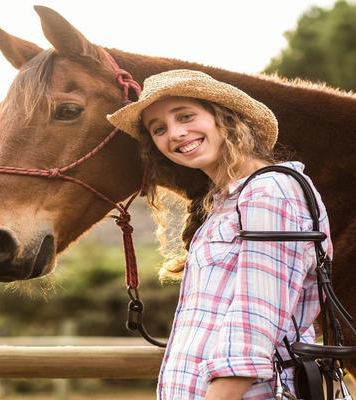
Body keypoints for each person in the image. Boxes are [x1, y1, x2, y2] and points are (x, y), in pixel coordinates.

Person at [107, 70, 333, 399]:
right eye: (159, 129)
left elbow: (254, 324)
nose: (175, 133)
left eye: (185, 116)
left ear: (222, 118)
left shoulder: (269, 191)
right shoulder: (225, 204)